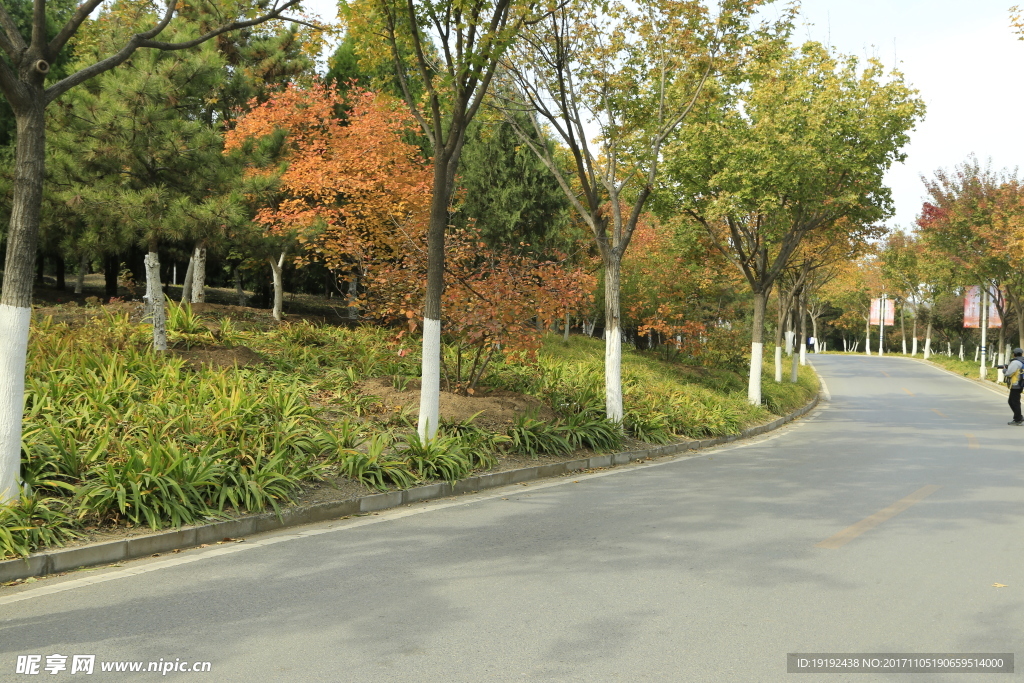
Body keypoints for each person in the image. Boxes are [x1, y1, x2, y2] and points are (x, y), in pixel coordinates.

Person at [1000, 348, 1024, 425]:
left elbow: (1008, 373)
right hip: (1020, 383)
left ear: (1014, 354)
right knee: (1012, 401)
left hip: (1015, 384)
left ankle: (1018, 419)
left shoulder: (1015, 362)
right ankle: (1019, 417)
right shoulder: (1022, 361)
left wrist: (1004, 370)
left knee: (1014, 402)